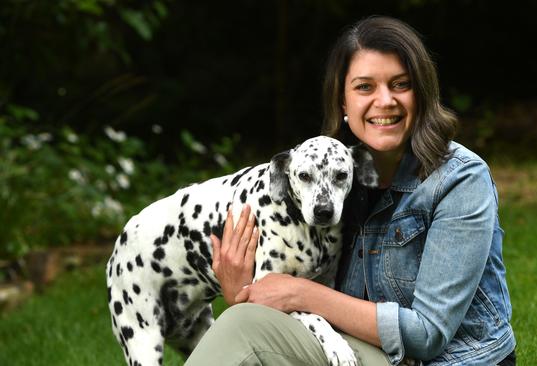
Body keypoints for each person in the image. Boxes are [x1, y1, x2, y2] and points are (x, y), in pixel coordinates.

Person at [186, 16, 516, 366]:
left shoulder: (461, 179)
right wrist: (244, 290)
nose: (384, 100)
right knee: (241, 323)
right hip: (360, 352)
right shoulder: (330, 177)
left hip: (451, 361)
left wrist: (300, 293)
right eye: (364, 87)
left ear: (422, 93)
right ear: (343, 103)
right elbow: (283, 293)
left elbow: (427, 334)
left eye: (400, 84)